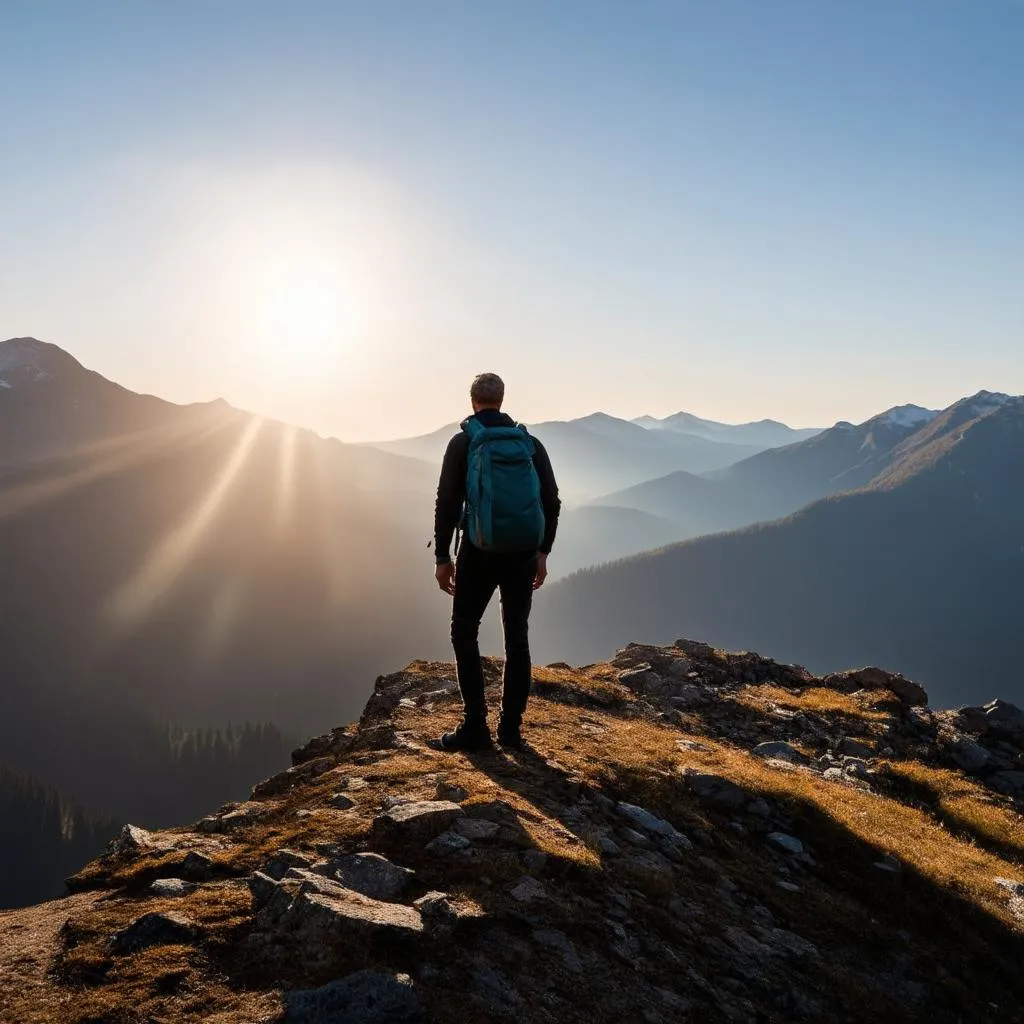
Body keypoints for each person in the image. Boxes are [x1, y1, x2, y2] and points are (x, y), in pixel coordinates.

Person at [433, 372, 561, 751]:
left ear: (473, 401)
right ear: (501, 400)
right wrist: (543, 552)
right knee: (516, 635)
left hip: (479, 551)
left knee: (464, 631)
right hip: (522, 552)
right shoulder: (529, 444)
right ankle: (511, 730)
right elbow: (551, 501)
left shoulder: (464, 443)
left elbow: (447, 502)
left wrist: (443, 557)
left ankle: (475, 726)